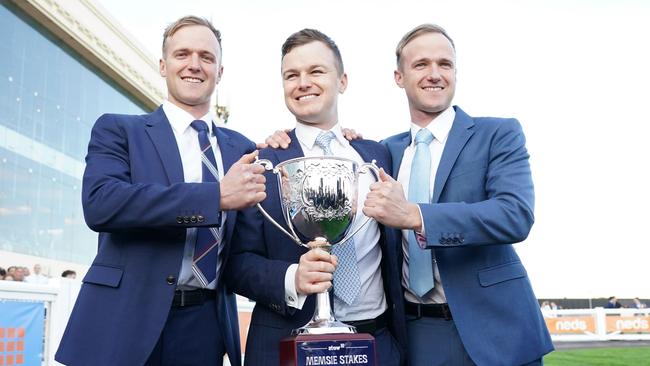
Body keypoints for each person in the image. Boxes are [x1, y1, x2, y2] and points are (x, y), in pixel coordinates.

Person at [265, 24, 552, 365]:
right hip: (416, 334)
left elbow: (515, 214)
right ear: (399, 77)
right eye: (421, 65)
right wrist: (291, 139)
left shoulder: (498, 133)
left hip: (495, 329)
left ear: (456, 72)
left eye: (444, 64)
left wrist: (416, 215)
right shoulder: (383, 153)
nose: (434, 74)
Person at [55, 15, 266, 366]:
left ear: (220, 71)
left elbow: (244, 249)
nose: (194, 65)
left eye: (206, 57)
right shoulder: (119, 130)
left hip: (204, 328)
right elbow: (101, 204)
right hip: (122, 322)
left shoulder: (242, 149)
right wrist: (214, 197)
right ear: (163, 64)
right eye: (182, 54)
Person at [223, 29, 406, 366]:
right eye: (292, 75)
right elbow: (235, 263)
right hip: (290, 344)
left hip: (378, 342)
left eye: (316, 71)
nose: (303, 82)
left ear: (343, 81)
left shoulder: (377, 155)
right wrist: (291, 278)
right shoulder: (264, 162)